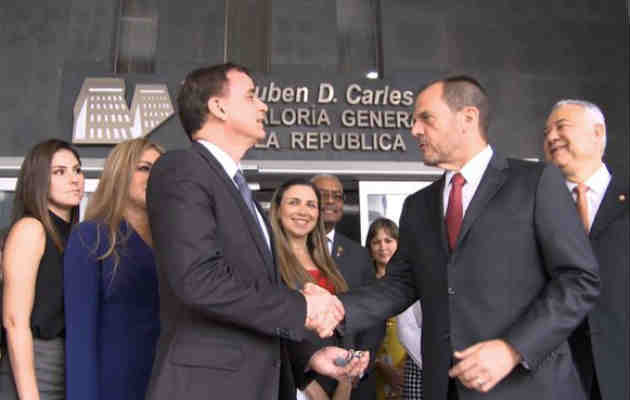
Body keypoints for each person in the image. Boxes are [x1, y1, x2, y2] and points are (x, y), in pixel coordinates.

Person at [336, 76, 600, 400]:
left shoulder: (535, 183)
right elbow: (400, 284)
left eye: (426, 119)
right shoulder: (418, 205)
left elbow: (578, 279)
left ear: (468, 118)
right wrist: (336, 309)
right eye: (413, 122)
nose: (415, 130)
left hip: (529, 387)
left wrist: (514, 348)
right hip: (446, 388)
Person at [145, 63, 367, 400]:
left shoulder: (239, 191)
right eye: (251, 96)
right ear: (218, 107)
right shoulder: (181, 169)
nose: (263, 105)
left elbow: (253, 298)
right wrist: (302, 308)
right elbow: (199, 280)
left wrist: (309, 356)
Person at [63, 138, 164, 400]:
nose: (154, 176)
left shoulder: (174, 243)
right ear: (120, 174)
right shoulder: (91, 236)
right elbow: (80, 337)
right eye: (144, 168)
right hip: (114, 386)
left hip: (168, 383)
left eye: (159, 169)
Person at [544, 99, 629, 400]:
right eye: (546, 132)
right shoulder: (534, 209)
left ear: (598, 132)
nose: (551, 137)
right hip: (559, 378)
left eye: (561, 126)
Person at [1, 139, 84, 399]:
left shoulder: (77, 235)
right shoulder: (31, 228)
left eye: (77, 169)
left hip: (67, 363)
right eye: (60, 172)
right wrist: (29, 395)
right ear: (38, 180)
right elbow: (14, 321)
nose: (74, 179)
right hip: (35, 364)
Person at [269, 178, 352, 400]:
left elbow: (343, 324)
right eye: (294, 202)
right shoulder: (267, 262)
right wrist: (308, 385)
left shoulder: (327, 261)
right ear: (277, 210)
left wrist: (346, 380)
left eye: (311, 204)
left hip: (335, 375)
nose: (303, 211)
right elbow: (269, 326)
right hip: (293, 381)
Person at [312, 174, 385, 400]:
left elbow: (374, 315)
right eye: (324, 195)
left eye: (338, 196)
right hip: (306, 378)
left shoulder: (360, 255)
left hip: (353, 381)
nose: (332, 201)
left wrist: (353, 372)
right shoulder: (288, 251)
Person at [366, 218, 422, 400]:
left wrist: (404, 368)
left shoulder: (414, 282)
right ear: (369, 248)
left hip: (412, 363)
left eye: (388, 241)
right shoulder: (363, 285)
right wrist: (382, 368)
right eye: (376, 242)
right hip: (373, 368)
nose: (383, 247)